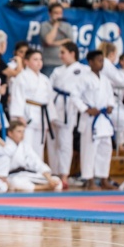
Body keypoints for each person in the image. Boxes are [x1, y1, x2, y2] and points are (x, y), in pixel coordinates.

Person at [70, 50, 116, 190]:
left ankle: (103, 179)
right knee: (89, 151)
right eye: (98, 60)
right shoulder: (84, 78)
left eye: (102, 60)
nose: (101, 63)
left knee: (105, 149)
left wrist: (110, 106)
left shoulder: (105, 79)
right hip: (90, 119)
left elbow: (110, 96)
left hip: (103, 119)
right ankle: (89, 180)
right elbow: (74, 96)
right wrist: (86, 109)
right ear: (90, 62)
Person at [47, 42, 88, 187]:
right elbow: (49, 89)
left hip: (69, 108)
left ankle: (64, 175)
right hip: (54, 105)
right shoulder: (57, 70)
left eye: (63, 52)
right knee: (52, 142)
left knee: (65, 142)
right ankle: (54, 174)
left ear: (73, 53)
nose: (60, 56)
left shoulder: (83, 70)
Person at [9, 49, 56, 160]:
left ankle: (37, 173)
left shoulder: (44, 79)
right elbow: (17, 97)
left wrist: (51, 118)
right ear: (26, 61)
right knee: (26, 145)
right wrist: (19, 116)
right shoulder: (22, 77)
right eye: (35, 59)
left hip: (42, 115)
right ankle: (26, 172)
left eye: (40, 59)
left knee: (39, 146)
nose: (39, 62)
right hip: (27, 114)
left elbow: (49, 100)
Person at [4, 120, 63, 192]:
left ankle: (45, 186)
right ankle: (44, 187)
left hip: (27, 175)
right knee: (16, 182)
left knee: (57, 181)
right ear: (10, 133)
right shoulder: (4, 146)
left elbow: (37, 162)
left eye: (23, 131)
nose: (22, 134)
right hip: (12, 176)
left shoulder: (25, 146)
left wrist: (49, 179)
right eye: (19, 131)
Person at [39, 3, 75, 77]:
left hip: (64, 63)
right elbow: (48, 41)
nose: (58, 15)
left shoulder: (67, 26)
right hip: (48, 63)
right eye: (56, 13)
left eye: (60, 13)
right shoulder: (44, 25)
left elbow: (70, 42)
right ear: (50, 14)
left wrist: (53, 43)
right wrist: (55, 26)